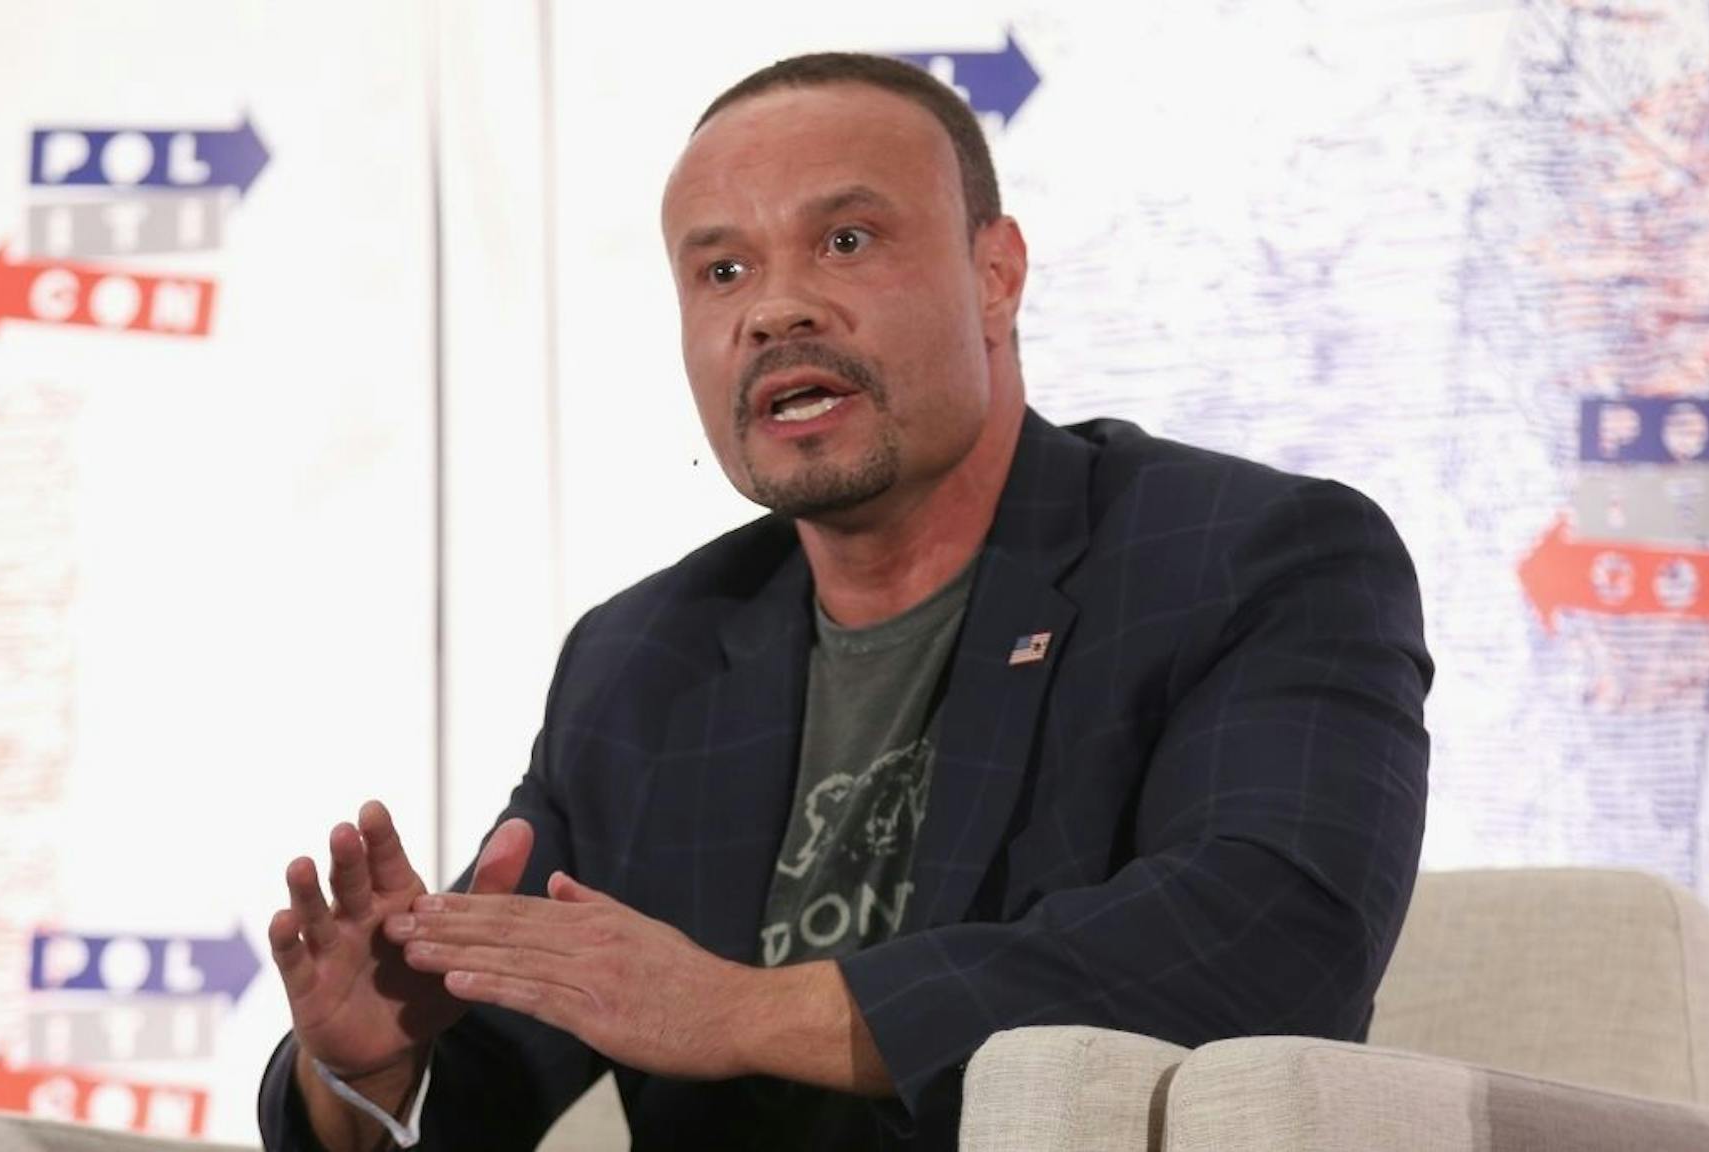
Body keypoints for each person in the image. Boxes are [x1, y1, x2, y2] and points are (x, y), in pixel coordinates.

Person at [258, 51, 1431, 1152]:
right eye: (721, 271)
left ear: (994, 274)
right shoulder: (641, 658)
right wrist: (364, 1067)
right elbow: (490, 1077)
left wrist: (736, 1013)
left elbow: (1268, 940)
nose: (773, 311)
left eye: (846, 241)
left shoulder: (1246, 558)